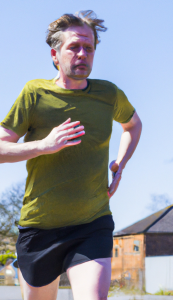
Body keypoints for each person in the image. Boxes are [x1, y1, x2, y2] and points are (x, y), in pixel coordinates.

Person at [0, 10, 142, 300]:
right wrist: (44, 145)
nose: (82, 54)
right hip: (40, 227)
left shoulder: (108, 95)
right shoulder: (35, 93)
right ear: (55, 54)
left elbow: (133, 125)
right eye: (74, 47)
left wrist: (121, 164)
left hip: (92, 223)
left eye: (88, 48)